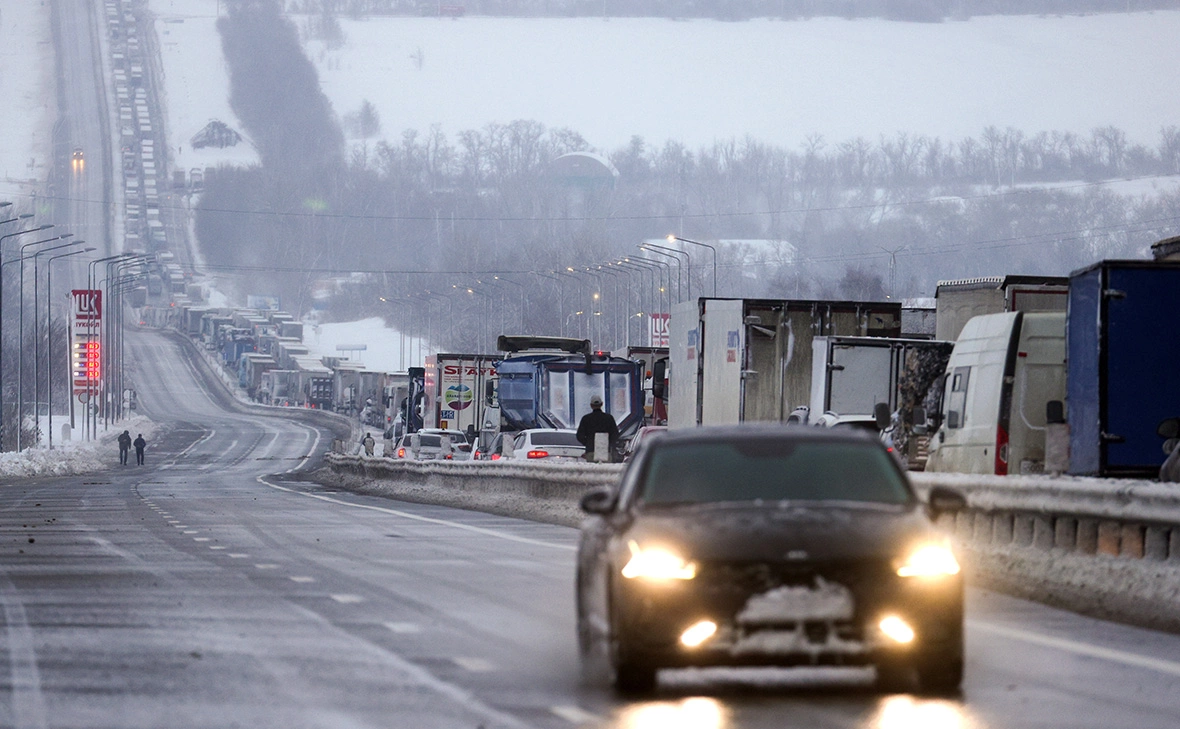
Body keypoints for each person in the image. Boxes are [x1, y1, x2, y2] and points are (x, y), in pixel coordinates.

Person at [576, 394, 619, 462]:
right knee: (606, 471)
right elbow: (615, 434)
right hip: (606, 452)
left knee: (592, 471)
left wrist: (588, 443)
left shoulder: (586, 419)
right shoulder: (609, 418)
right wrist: (608, 443)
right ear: (601, 404)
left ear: (591, 405)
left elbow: (579, 436)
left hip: (591, 451)